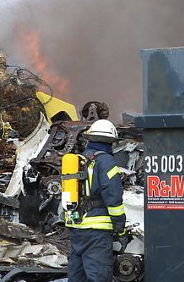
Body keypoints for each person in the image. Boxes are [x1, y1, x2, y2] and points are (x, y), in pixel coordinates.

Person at [65, 119, 126, 282]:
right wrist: (121, 230)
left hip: (76, 227)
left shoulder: (78, 160)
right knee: (98, 276)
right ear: (110, 141)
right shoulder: (106, 161)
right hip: (97, 232)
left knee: (77, 276)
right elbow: (113, 199)